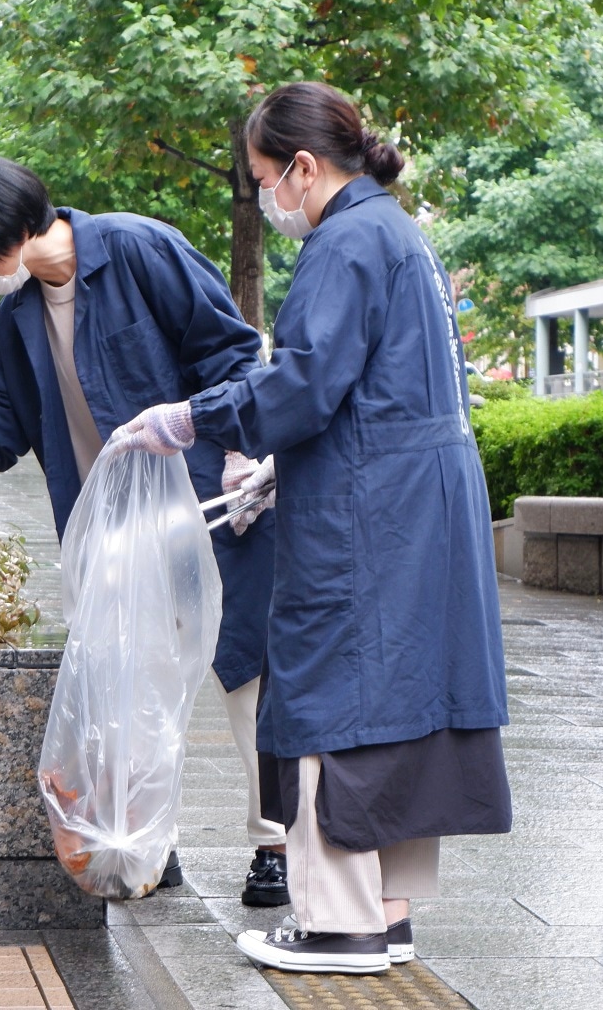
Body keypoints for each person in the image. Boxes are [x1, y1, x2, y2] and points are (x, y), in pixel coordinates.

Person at [116, 81, 512, 974]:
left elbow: (302, 379)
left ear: (302, 166)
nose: (267, 198)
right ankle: (389, 911)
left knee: (330, 683)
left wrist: (194, 418)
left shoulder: (345, 242)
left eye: (264, 178)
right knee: (411, 692)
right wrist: (273, 464)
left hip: (368, 508)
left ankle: (340, 921)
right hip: (424, 495)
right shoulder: (401, 233)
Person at [0, 155, 289, 905]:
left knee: (245, 674)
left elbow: (228, 352)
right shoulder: (20, 312)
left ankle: (273, 844)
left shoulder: (136, 248)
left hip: (208, 508)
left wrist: (238, 453)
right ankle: (154, 843)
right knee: (132, 683)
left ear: (5, 234)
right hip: (115, 530)